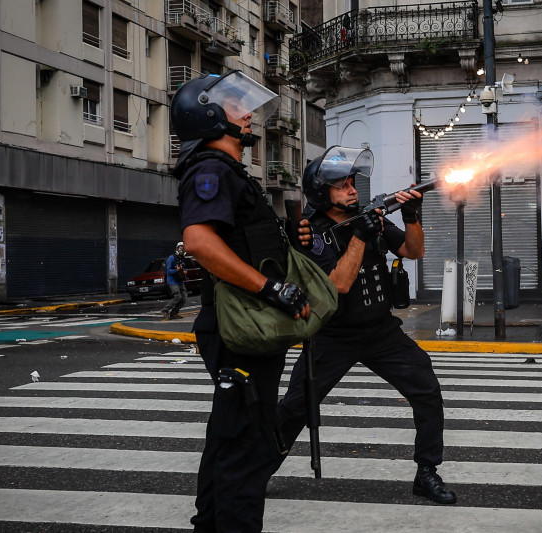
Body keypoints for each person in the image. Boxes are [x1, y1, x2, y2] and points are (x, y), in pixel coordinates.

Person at [171, 70, 311, 533]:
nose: (248, 114)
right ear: (210, 117)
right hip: (238, 331)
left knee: (227, 439)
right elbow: (199, 242)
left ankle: (209, 523)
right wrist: (272, 289)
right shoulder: (211, 169)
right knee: (247, 448)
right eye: (236, 107)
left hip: (243, 329)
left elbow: (242, 244)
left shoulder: (230, 172)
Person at [276, 145, 457, 505]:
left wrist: (411, 215)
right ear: (321, 193)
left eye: (352, 183)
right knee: (297, 405)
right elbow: (338, 284)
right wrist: (359, 236)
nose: (352, 189)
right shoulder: (310, 232)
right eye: (341, 185)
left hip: (380, 330)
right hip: (333, 335)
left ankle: (426, 472)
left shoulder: (368, 216)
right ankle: (256, 469)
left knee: (425, 387)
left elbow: (412, 251)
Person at [161, 241, 187, 319]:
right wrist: (177, 270)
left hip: (180, 280)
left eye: (183, 248)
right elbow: (168, 271)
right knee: (178, 297)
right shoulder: (171, 258)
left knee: (184, 297)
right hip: (172, 281)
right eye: (180, 248)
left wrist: (185, 270)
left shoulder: (182, 258)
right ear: (177, 249)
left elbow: (183, 267)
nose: (181, 249)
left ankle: (174, 312)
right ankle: (165, 309)